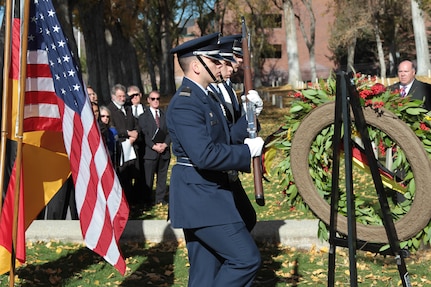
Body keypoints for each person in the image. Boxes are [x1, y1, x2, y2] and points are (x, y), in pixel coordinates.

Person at [168, 32, 264, 287]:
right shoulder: (186, 103)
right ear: (197, 65)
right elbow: (205, 155)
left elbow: (226, 140)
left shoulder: (205, 98)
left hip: (209, 195)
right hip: (200, 197)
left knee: (204, 275)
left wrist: (249, 117)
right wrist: (247, 152)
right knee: (246, 259)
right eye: (214, 61)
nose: (221, 65)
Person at [107, 84, 140, 206]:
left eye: (123, 96)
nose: (122, 98)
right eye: (119, 96)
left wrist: (136, 132)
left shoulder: (128, 108)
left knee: (133, 174)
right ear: (113, 97)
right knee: (123, 176)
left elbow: (136, 123)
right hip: (120, 148)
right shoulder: (110, 110)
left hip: (132, 147)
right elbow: (112, 128)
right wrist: (127, 134)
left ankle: (133, 201)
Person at [138, 90, 171, 206]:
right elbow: (144, 134)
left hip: (164, 151)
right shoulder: (143, 117)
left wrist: (165, 144)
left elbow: (170, 132)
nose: (156, 101)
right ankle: (147, 200)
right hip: (150, 153)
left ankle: (160, 199)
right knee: (148, 178)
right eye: (153, 99)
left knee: (162, 177)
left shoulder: (165, 115)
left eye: (158, 99)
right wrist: (153, 146)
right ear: (148, 100)